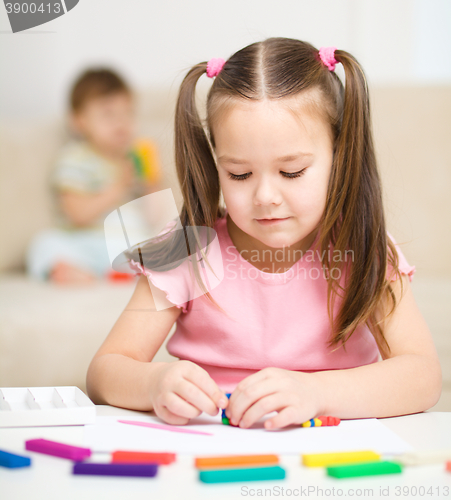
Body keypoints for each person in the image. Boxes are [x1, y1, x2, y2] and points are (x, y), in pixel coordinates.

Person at [86, 39, 442, 430]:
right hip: (214, 458)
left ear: (340, 155)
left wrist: (317, 393)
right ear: (215, 162)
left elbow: (423, 377)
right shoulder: (186, 249)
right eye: (239, 174)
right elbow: (105, 371)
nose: (265, 197)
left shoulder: (363, 248)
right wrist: (153, 382)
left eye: (291, 172)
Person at [26, 68, 163, 284]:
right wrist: (119, 186)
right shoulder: (75, 158)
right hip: (88, 242)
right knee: (44, 243)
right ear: (78, 121)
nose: (121, 122)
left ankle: (126, 272)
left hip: (128, 244)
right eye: (108, 114)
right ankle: (70, 271)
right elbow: (77, 214)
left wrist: (152, 183)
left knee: (164, 240)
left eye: (127, 113)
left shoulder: (133, 158)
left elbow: (154, 218)